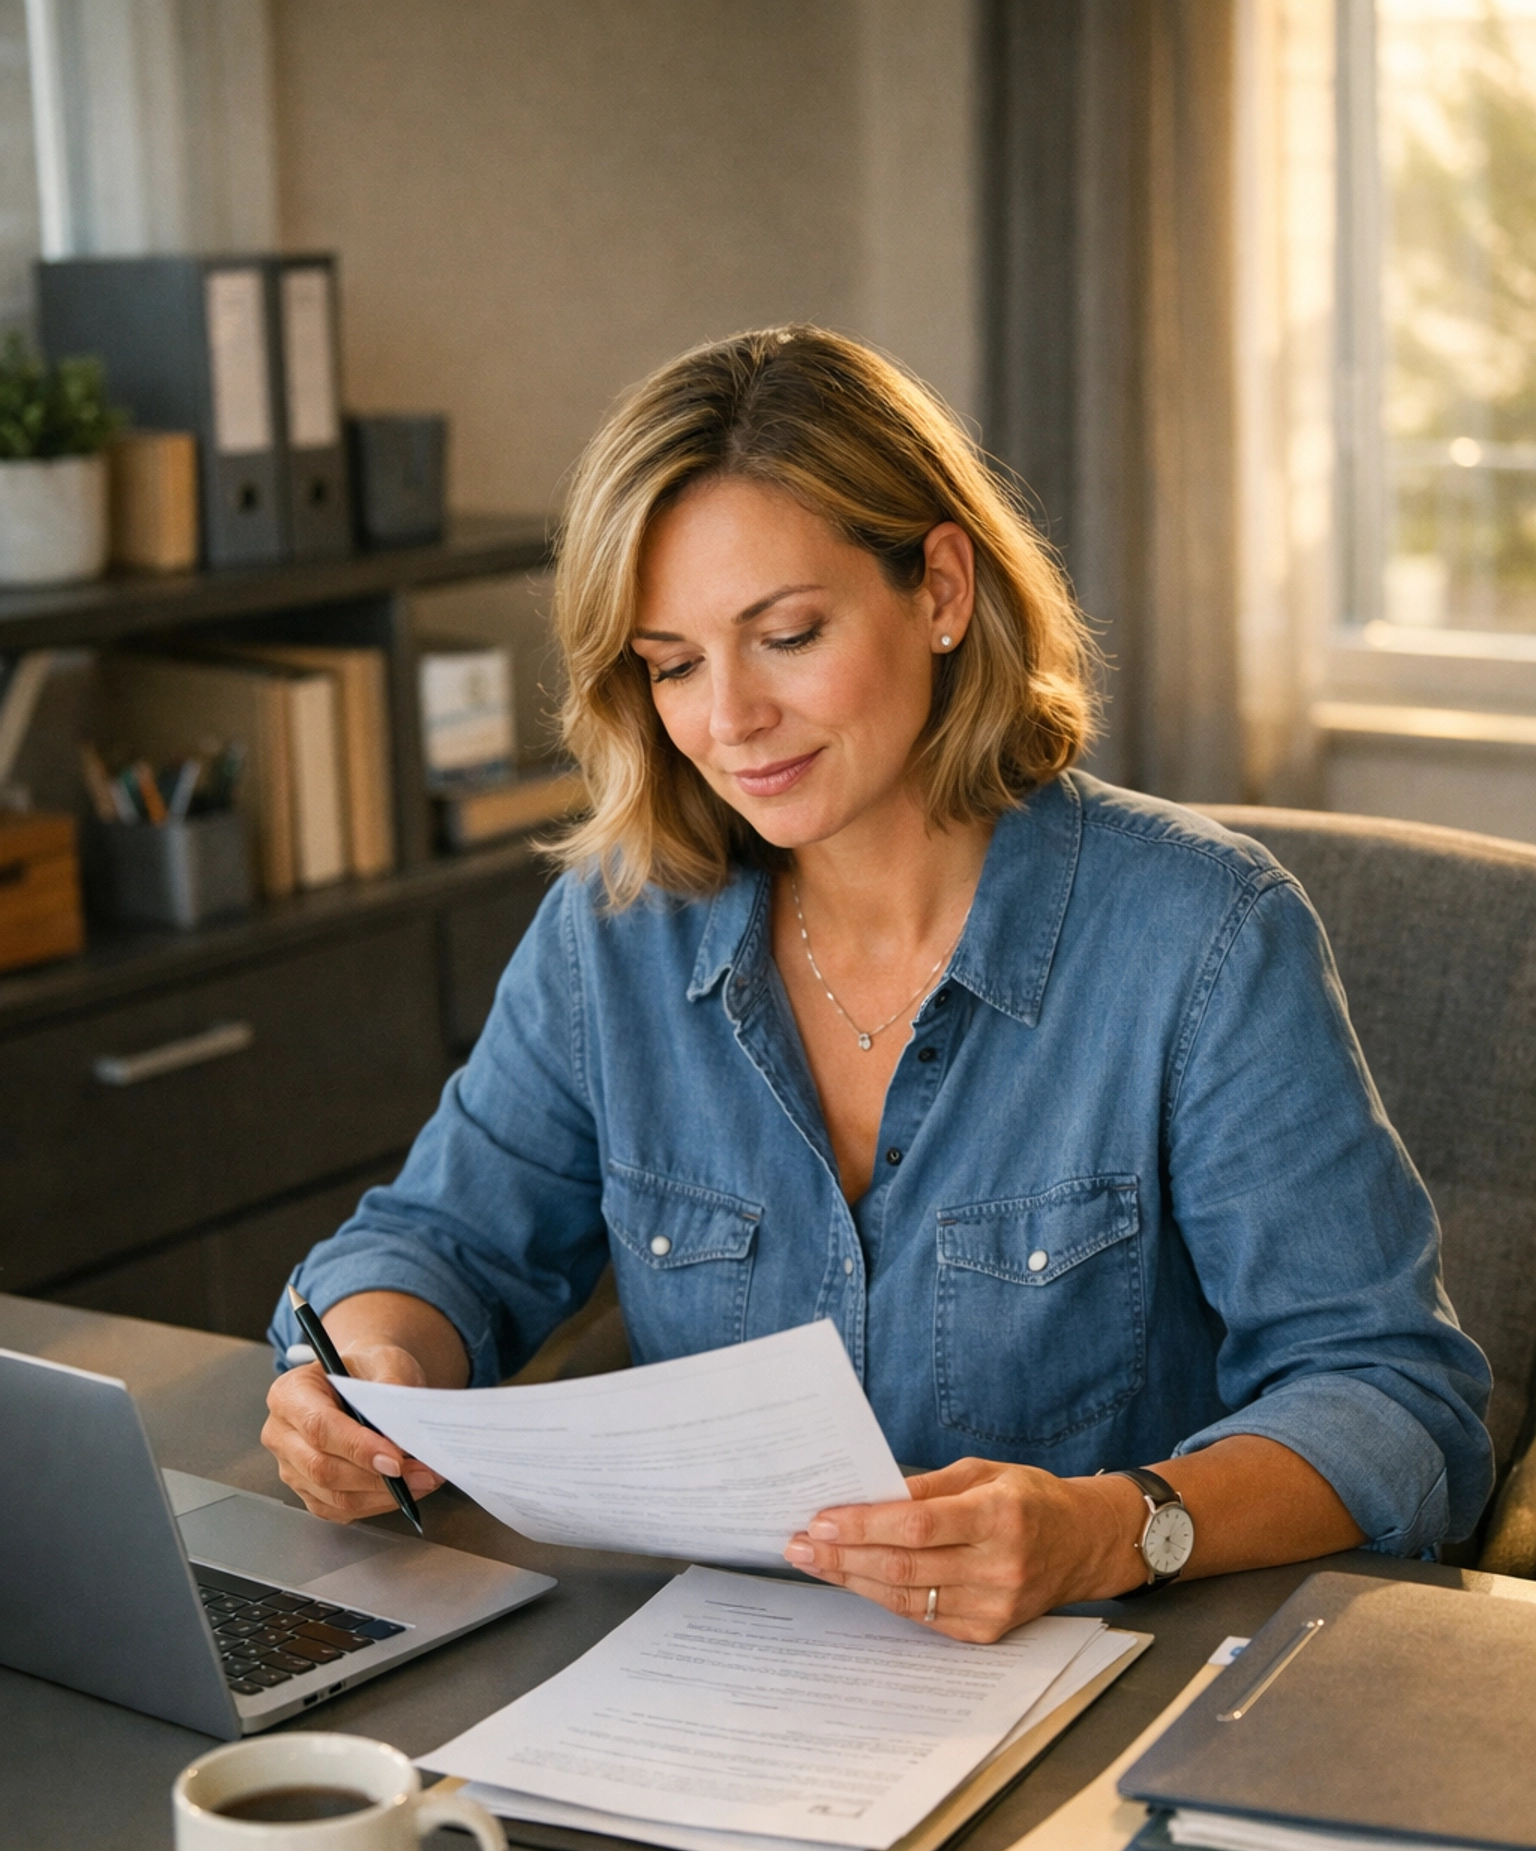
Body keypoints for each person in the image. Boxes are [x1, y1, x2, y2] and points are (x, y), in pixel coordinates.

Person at [263, 325, 1493, 1643]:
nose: (728, 719)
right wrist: (370, 1369)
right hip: (717, 1687)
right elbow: (441, 1244)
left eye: (785, 634)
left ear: (943, 590)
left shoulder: (1200, 941)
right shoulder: (618, 927)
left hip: (1093, 1692)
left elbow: (1391, 1399)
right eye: (672, 663)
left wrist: (1113, 1527)